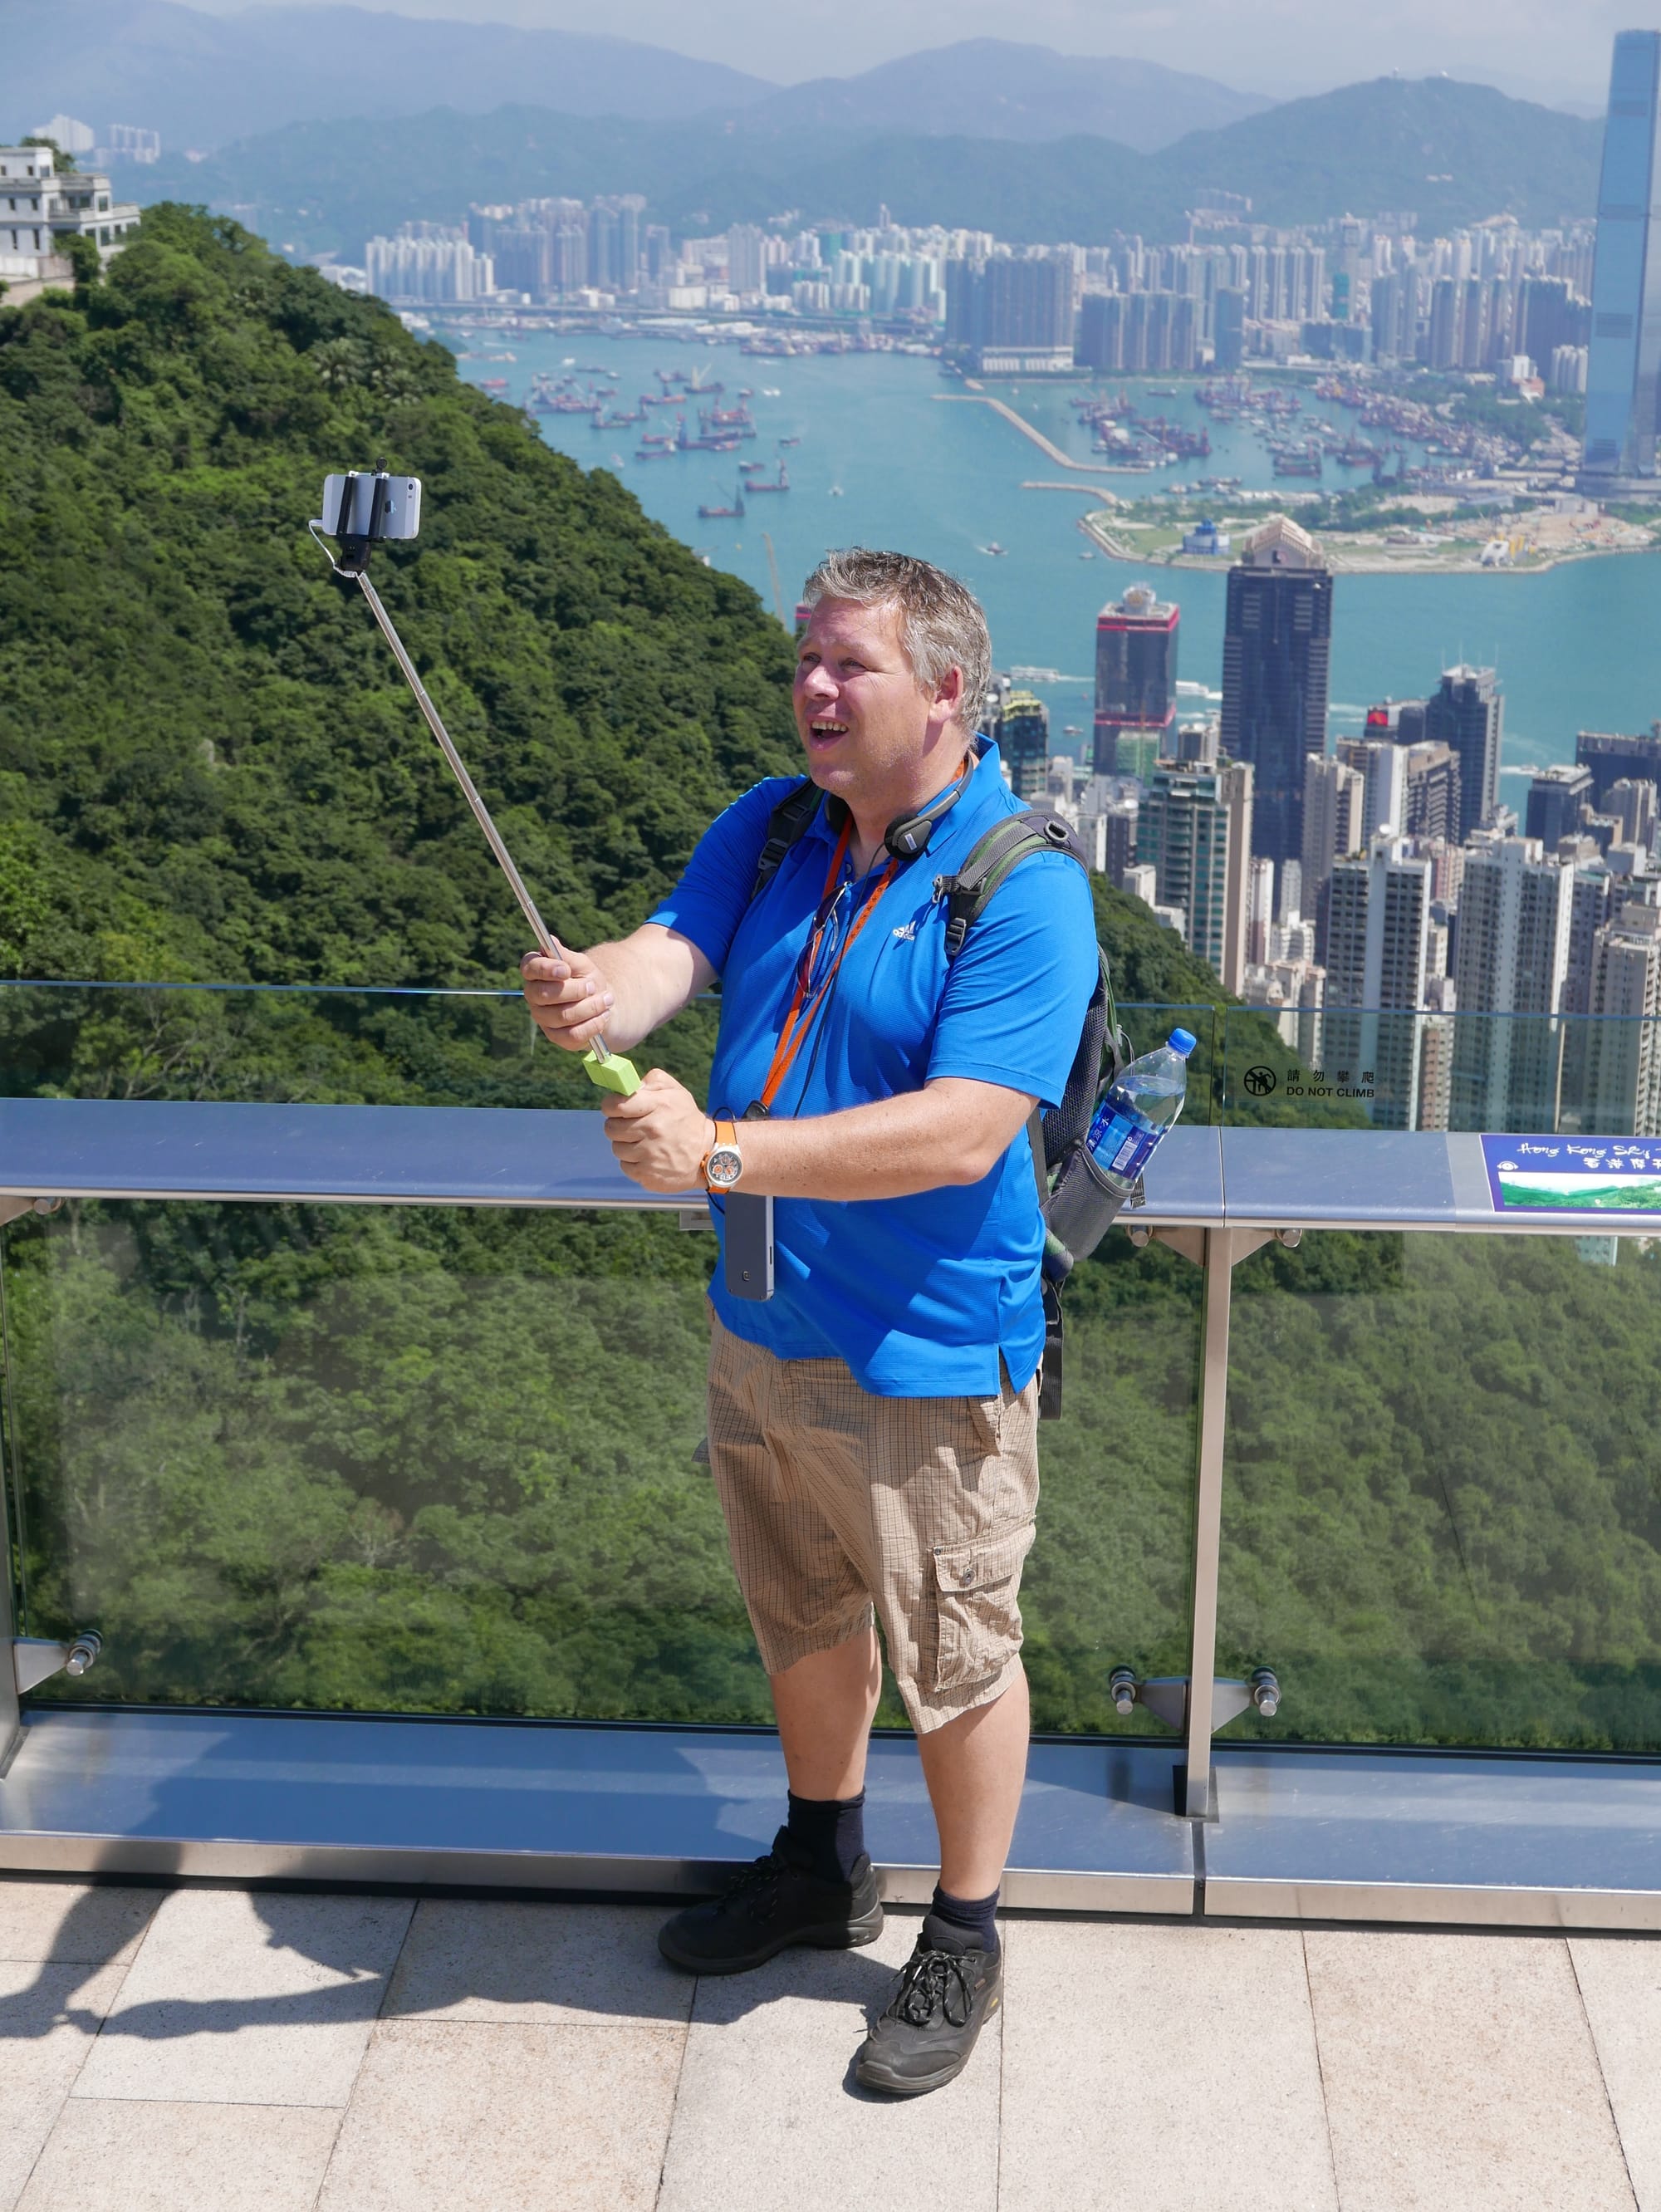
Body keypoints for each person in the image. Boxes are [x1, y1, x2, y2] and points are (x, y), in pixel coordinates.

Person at [521, 547, 1097, 2097]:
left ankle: (966, 1933)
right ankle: (821, 1860)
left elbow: (963, 1130)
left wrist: (718, 1154)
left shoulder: (1022, 885)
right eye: (807, 661)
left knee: (957, 1652)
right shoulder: (779, 824)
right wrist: (603, 995)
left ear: (949, 692)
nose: (816, 689)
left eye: (851, 666)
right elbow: (675, 949)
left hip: (927, 1355)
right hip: (763, 1322)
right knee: (801, 1609)